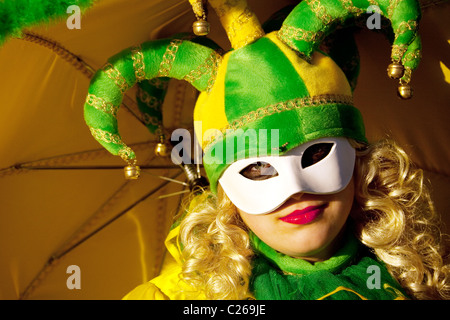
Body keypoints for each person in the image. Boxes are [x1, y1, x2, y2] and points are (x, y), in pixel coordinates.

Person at [83, 0, 449, 300]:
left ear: (360, 164)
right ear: (225, 196)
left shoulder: (418, 275)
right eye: (257, 168)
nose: (296, 190)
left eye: (317, 153)